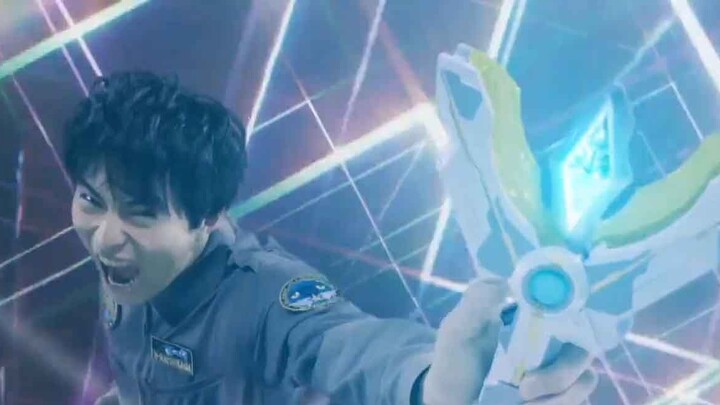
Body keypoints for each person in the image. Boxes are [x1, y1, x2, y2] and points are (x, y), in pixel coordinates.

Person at [62, 71, 598, 404]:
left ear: (207, 217)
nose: (105, 238)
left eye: (141, 214)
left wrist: (439, 386)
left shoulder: (265, 299)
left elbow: (351, 345)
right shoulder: (126, 266)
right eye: (91, 200)